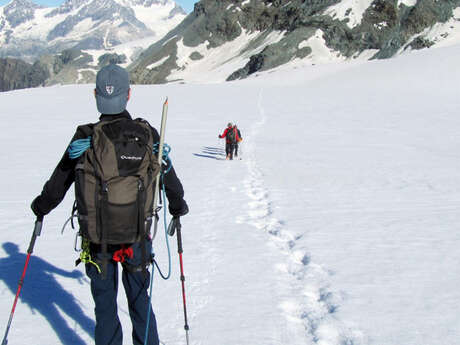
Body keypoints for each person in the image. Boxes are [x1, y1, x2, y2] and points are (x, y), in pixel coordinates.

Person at [30, 64, 189, 345]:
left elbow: (59, 183)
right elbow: (168, 175)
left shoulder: (85, 137)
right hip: (138, 237)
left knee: (105, 309)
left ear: (96, 95)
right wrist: (178, 206)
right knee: (141, 304)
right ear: (129, 94)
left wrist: (41, 207)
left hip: (98, 239)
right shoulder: (147, 134)